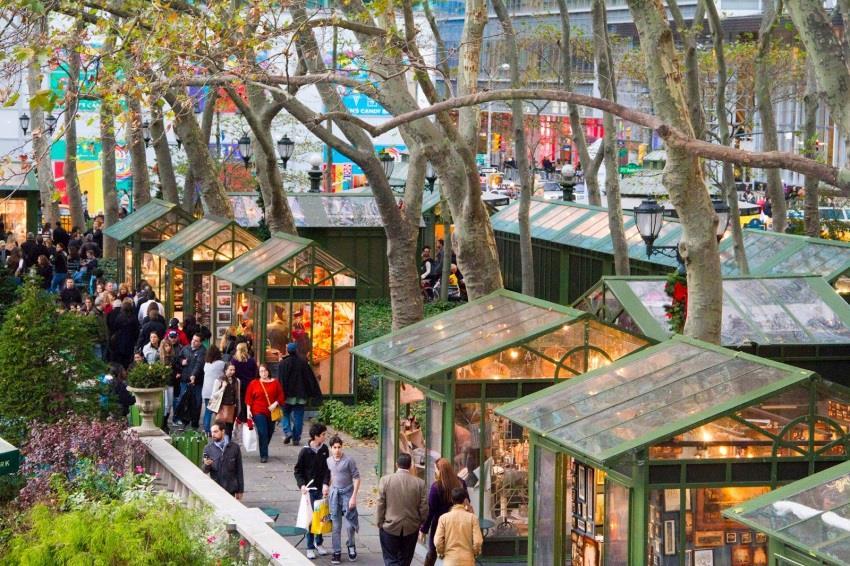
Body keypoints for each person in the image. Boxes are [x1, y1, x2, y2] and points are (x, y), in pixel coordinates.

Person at [377, 453, 429, 566]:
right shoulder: (419, 483)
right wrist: (420, 522)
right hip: (411, 527)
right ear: (410, 465)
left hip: (389, 526)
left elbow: (381, 503)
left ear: (396, 465)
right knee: (405, 560)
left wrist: (380, 522)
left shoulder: (385, 480)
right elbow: (424, 506)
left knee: (391, 558)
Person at [420, 458, 469, 566]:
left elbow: (431, 511)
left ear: (439, 471)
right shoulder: (461, 483)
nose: (435, 472)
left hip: (439, 524)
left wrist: (424, 529)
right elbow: (467, 502)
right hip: (458, 523)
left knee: (432, 552)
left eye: (435, 469)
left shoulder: (436, 487)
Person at [294, 423, 331, 559]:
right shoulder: (305, 451)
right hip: (309, 490)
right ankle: (309, 546)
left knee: (321, 517)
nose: (325, 437)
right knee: (310, 520)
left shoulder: (325, 449)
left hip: (321, 489)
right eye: (323, 435)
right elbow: (298, 470)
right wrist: (302, 485)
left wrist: (326, 483)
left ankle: (319, 543)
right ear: (316, 436)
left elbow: (328, 469)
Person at [278, 342, 322, 446]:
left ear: (288, 350)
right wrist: (312, 392)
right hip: (300, 395)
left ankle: (288, 432)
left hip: (286, 395)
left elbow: (280, 380)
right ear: (296, 350)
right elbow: (309, 379)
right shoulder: (303, 362)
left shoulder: (283, 363)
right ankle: (296, 438)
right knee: (298, 417)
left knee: (285, 414)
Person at [327, 435, 360, 564]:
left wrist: (354, 497)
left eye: (339, 447)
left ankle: (351, 546)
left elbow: (357, 478)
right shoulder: (328, 461)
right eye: (334, 447)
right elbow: (331, 475)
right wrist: (327, 489)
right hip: (334, 494)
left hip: (347, 493)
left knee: (350, 525)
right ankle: (336, 551)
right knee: (336, 525)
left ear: (342, 447)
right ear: (330, 448)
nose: (337, 450)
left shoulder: (349, 460)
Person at [244, 364, 284, 463]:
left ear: (269, 371)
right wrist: (248, 411)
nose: (264, 373)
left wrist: (275, 404)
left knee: (270, 432)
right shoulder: (254, 383)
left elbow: (281, 396)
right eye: (261, 371)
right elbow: (248, 399)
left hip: (271, 412)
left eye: (265, 371)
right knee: (263, 432)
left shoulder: (275, 383)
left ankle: (263, 446)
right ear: (259, 373)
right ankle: (264, 455)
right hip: (258, 411)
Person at [434, 488, 483, 566]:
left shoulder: (443, 518)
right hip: (467, 560)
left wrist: (441, 553)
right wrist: (474, 553)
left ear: (452, 500)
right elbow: (478, 541)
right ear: (465, 500)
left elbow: (437, 541)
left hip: (450, 561)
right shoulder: (472, 518)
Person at [203, 420, 244, 498]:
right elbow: (204, 470)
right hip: (216, 489)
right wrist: (206, 465)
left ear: (223, 431)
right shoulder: (208, 448)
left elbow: (239, 470)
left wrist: (240, 490)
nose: (213, 434)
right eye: (212, 432)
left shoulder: (234, 447)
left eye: (216, 432)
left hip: (231, 489)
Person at [175, 333, 206, 429]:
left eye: (196, 340)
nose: (193, 341)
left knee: (196, 402)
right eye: (193, 339)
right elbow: (178, 359)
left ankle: (195, 422)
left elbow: (199, 365)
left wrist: (193, 375)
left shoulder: (202, 351)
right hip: (185, 379)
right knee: (184, 400)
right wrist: (181, 362)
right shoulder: (186, 348)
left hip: (197, 381)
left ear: (200, 343)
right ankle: (184, 421)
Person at [108, 298, 140, 368]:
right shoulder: (133, 318)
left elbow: (115, 328)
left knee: (121, 359)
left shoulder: (119, 317)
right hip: (130, 341)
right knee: (129, 359)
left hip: (120, 341)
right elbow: (137, 330)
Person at [211, 362, 240, 437]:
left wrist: (238, 409)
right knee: (220, 430)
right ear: (225, 370)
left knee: (229, 431)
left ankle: (227, 446)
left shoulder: (237, 381)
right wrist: (223, 388)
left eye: (234, 370)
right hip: (221, 408)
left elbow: (238, 396)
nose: (233, 372)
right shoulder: (219, 380)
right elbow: (213, 395)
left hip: (232, 408)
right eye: (230, 370)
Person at [231, 342, 258, 422]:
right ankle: (249, 417)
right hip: (250, 384)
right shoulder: (251, 360)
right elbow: (255, 372)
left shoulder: (234, 361)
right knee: (249, 401)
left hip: (239, 384)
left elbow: (233, 372)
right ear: (246, 349)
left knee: (240, 400)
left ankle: (241, 417)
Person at [202, 345, 225, 435]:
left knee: (208, 411)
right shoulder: (221, 364)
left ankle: (206, 429)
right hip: (216, 391)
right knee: (217, 411)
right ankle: (217, 429)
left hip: (206, 391)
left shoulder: (206, 364)